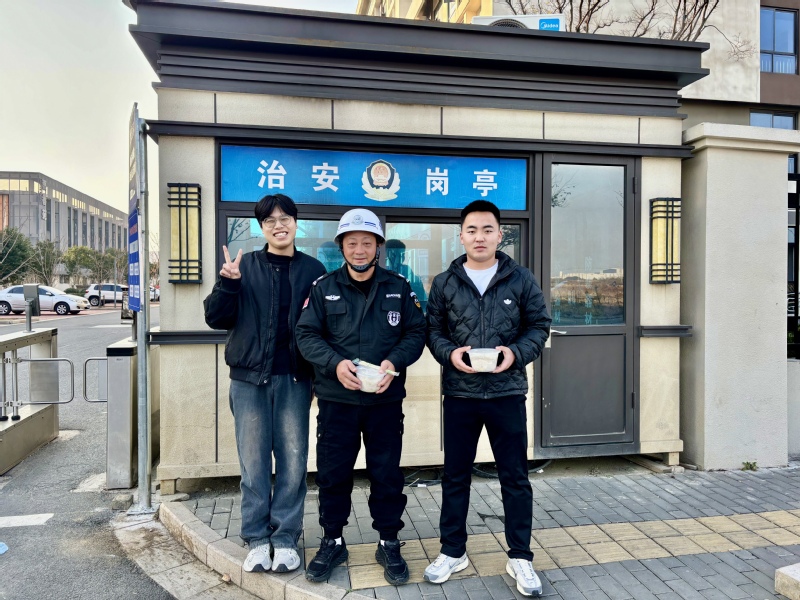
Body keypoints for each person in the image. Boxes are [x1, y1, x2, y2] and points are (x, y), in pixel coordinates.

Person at [424, 200, 551, 597]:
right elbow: (433, 331)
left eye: (487, 229)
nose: (479, 237)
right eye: (472, 230)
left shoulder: (521, 279)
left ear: (499, 235)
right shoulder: (445, 282)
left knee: (515, 477)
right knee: (455, 475)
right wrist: (450, 354)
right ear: (461, 236)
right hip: (460, 394)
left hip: (506, 392)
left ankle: (520, 557)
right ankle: (452, 551)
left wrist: (516, 353)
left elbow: (539, 326)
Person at [295, 208, 427, 586]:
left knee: (386, 474)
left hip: (384, 401)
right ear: (342, 247)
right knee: (333, 474)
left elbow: (416, 333)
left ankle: (389, 541)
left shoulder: (398, 287)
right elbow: (306, 335)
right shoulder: (323, 288)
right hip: (337, 401)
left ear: (378, 247)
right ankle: (333, 541)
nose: (359, 250)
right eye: (351, 243)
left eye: (366, 243)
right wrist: (334, 363)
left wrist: (394, 362)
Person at [203, 194, 326, 574]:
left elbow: (323, 325)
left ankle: (286, 538)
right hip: (249, 381)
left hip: (295, 379)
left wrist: (320, 375)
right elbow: (215, 319)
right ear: (262, 228)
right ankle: (257, 539)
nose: (278, 225)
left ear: (296, 223)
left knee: (293, 461)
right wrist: (228, 285)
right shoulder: (243, 267)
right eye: (270, 220)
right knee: (253, 463)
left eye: (285, 218)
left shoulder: (313, 270)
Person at [385, 239, 427, 313]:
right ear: (388, 255)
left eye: (402, 254)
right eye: (395, 255)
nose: (401, 258)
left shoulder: (407, 269)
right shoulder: (383, 271)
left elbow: (419, 295)